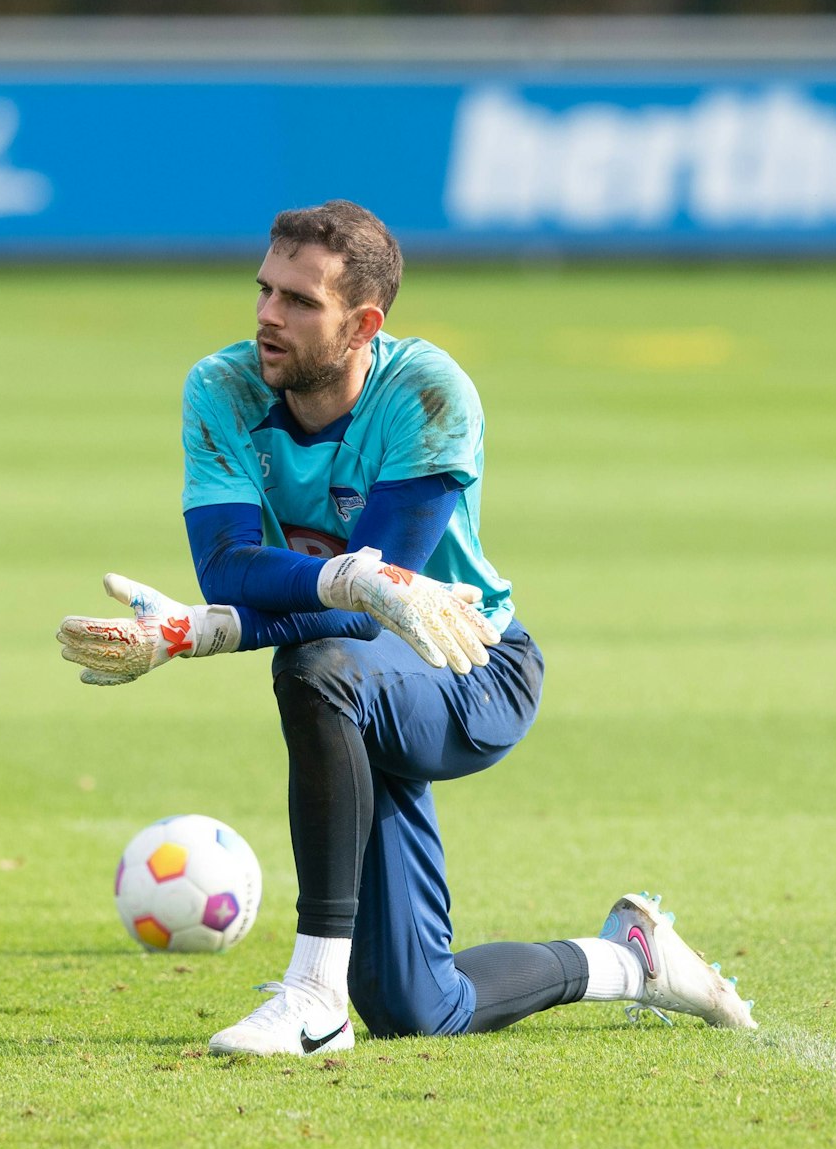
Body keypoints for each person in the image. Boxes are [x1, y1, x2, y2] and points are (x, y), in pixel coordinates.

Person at [58, 200, 756, 1056]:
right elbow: (231, 567)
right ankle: (627, 959)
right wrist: (242, 607)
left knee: (317, 667)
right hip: (368, 686)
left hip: (473, 669)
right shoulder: (222, 387)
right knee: (420, 1007)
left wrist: (214, 630)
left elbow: (376, 608)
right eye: (265, 290)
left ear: (363, 323)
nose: (268, 316)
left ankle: (314, 997)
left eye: (300, 302)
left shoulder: (427, 391)